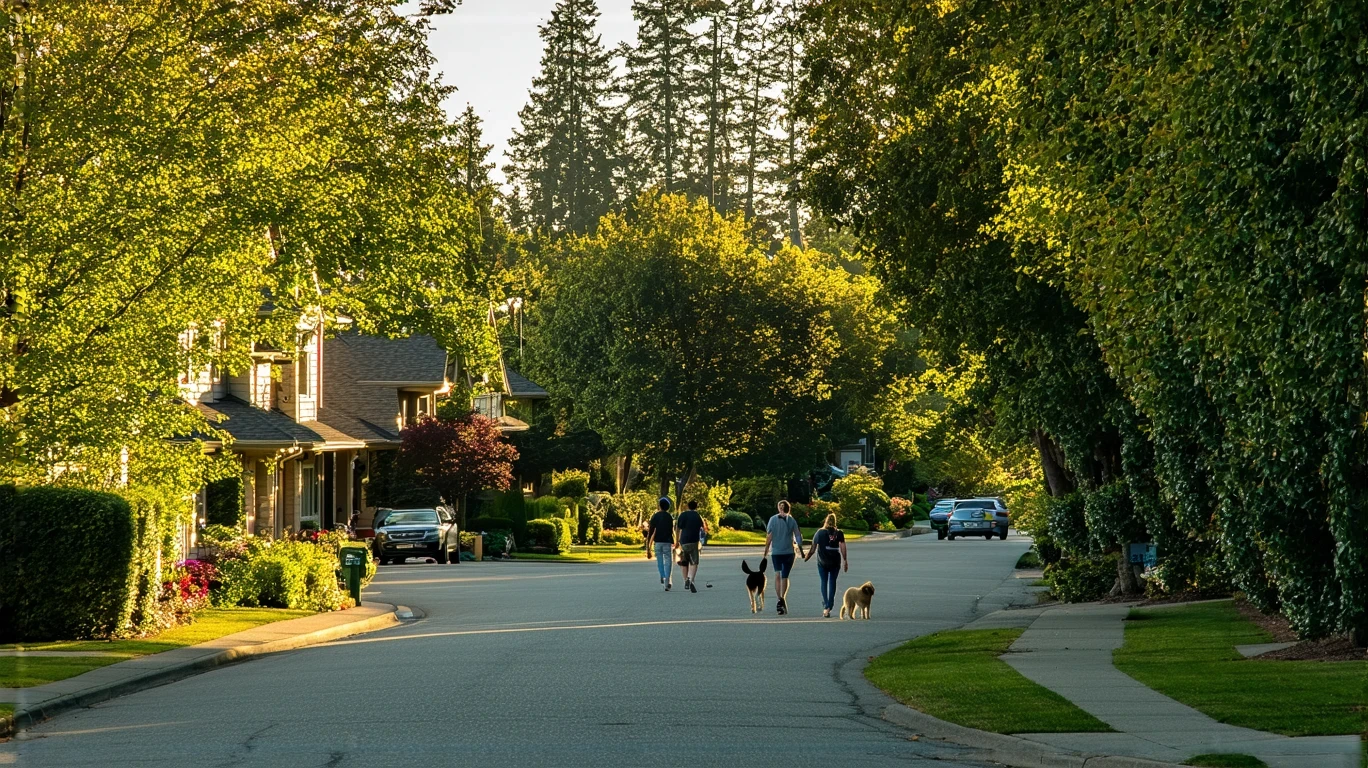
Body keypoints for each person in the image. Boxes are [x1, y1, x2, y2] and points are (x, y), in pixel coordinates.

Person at [761, 500, 805, 615]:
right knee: (783, 576)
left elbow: (769, 537)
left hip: (779, 552)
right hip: (787, 552)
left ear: (780, 508)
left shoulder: (773, 520)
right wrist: (801, 549)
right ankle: (781, 598)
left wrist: (765, 552)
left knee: (778, 575)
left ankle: (780, 599)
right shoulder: (791, 520)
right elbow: (798, 536)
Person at [803, 513, 848, 618]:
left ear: (826, 521)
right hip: (835, 562)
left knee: (824, 582)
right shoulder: (839, 533)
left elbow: (813, 549)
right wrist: (845, 560)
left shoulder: (819, 533)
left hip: (822, 562)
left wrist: (806, 558)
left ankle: (826, 606)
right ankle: (829, 606)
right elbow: (843, 547)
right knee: (832, 582)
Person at [675, 499, 708, 593]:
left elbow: (678, 528)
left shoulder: (683, 515)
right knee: (694, 562)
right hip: (694, 541)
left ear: (688, 506)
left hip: (684, 541)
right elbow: (703, 528)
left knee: (684, 562)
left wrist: (677, 540)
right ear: (696, 507)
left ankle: (686, 579)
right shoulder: (697, 516)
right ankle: (691, 579)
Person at [645, 497, 676, 591]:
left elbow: (650, 533)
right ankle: (668, 580)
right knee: (668, 562)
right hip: (667, 542)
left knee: (660, 561)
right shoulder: (669, 517)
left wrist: (648, 548)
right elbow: (672, 531)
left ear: (659, 506)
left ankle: (662, 576)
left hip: (657, 542)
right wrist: (676, 541)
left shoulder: (655, 516)